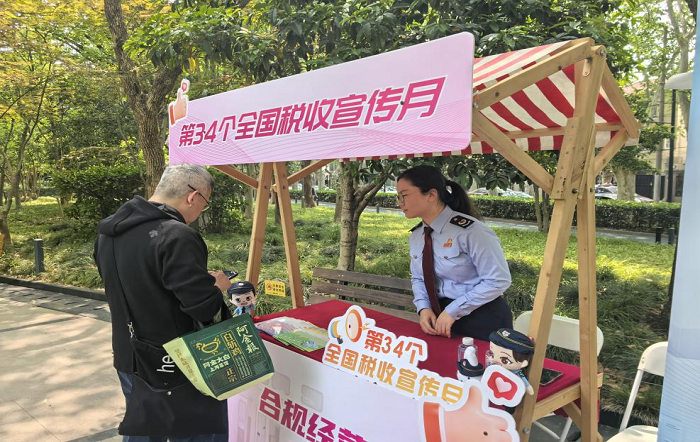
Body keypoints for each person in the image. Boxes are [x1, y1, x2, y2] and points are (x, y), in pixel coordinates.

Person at [94, 163, 232, 442]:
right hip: (176, 362)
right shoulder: (177, 234)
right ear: (193, 196)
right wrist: (217, 286)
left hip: (129, 355)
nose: (200, 212)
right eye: (204, 204)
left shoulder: (107, 233)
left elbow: (135, 284)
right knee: (195, 432)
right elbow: (203, 307)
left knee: (143, 429)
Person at [397, 165, 512, 342]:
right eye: (398, 196)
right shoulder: (418, 235)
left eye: (404, 195)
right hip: (440, 318)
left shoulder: (472, 231)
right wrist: (423, 307)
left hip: (482, 318)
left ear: (431, 195)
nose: (400, 202)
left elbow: (498, 280)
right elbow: (419, 278)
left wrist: (453, 310)